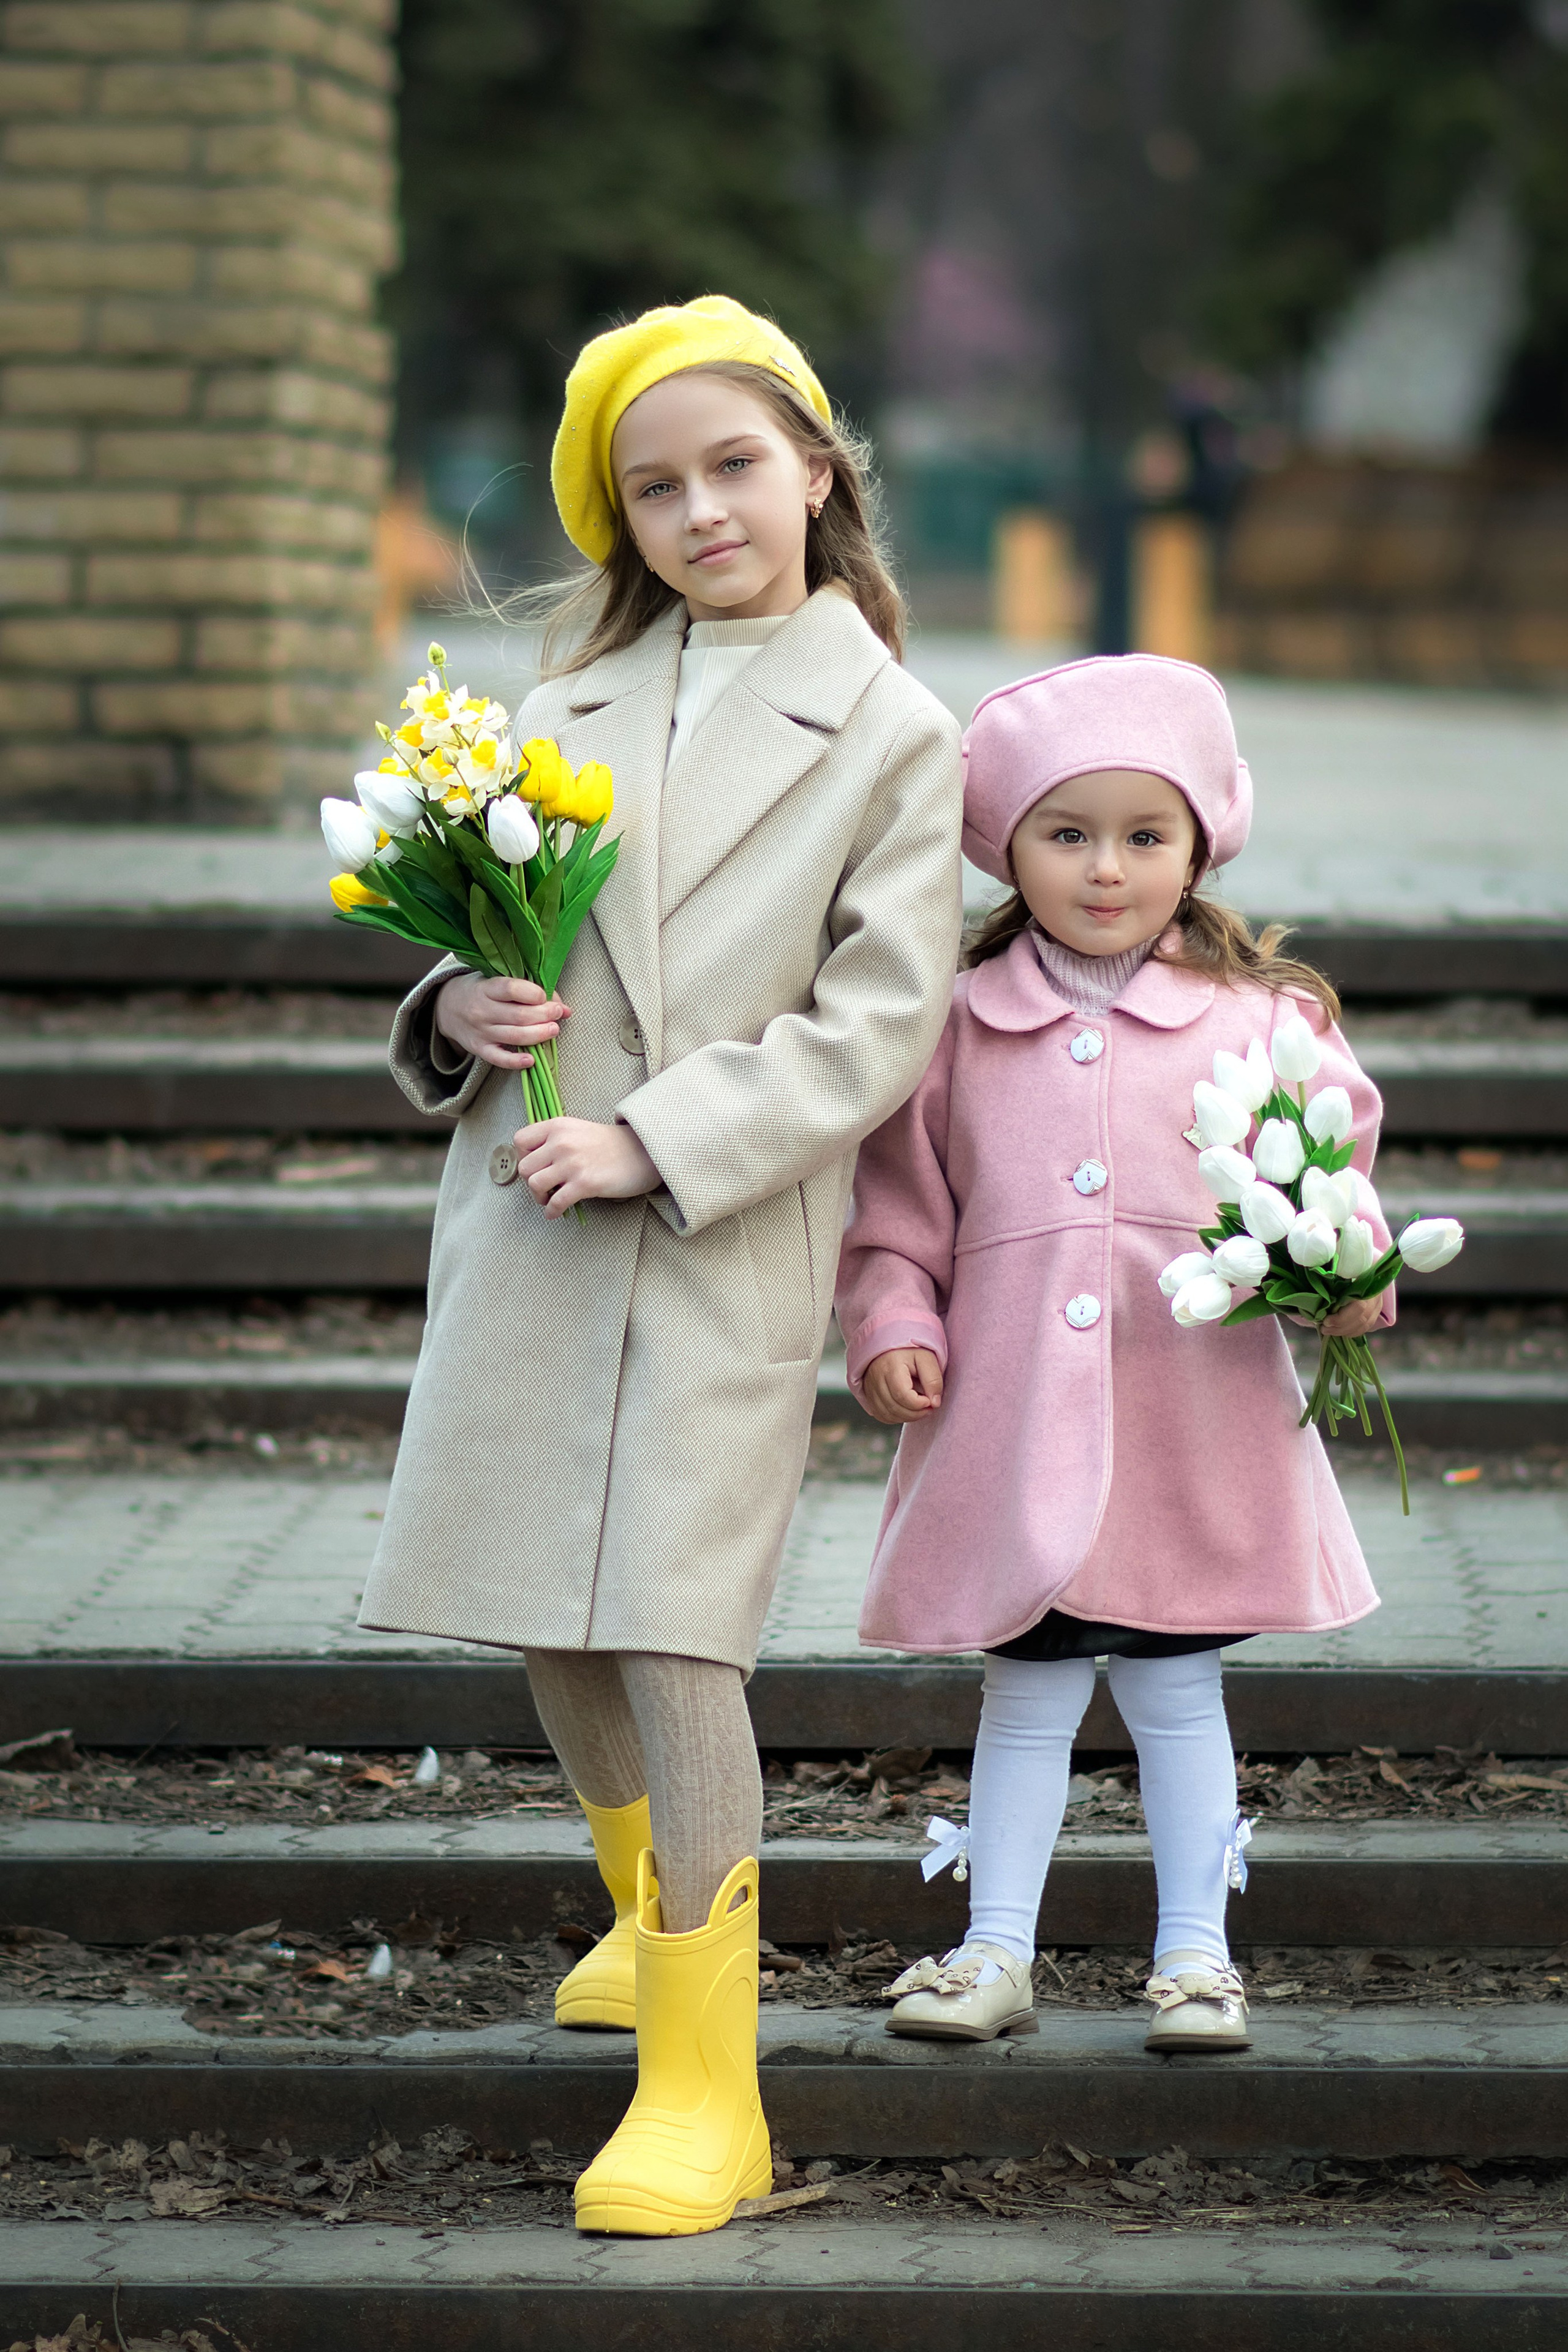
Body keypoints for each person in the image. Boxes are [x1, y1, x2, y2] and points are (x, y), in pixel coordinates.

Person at [356, 295, 963, 2234]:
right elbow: (472, 951)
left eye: (734, 465)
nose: (702, 509)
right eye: (654, 486)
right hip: (529, 1210)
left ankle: (710, 2085)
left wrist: (661, 1133)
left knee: (674, 1622)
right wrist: (458, 1014)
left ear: (817, 469)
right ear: (620, 522)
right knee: (545, 1592)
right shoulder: (558, 711)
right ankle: (641, 1907)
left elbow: (881, 1022)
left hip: (715, 1224)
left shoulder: (890, 727)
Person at [835, 654, 1389, 2052]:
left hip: (1183, 1420)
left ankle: (1196, 1958)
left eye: (1144, 836)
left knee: (1171, 1688)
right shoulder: (954, 1028)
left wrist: (1342, 1279)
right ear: (1002, 846)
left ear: (1200, 840)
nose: (1103, 870)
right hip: (1008, 1415)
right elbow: (895, 1214)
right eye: (1064, 834)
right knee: (1020, 1693)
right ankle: (992, 1951)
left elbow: (1334, 1184)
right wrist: (894, 1321)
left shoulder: (1264, 1025)